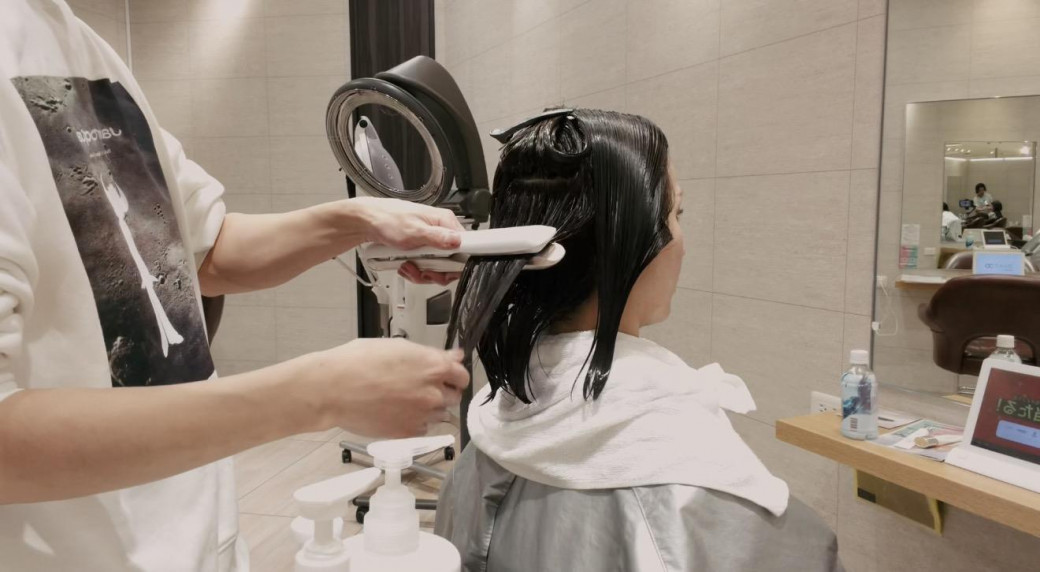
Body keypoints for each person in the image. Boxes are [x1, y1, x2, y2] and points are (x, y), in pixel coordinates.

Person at [0, 1, 467, 570]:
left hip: (198, 536)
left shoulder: (79, 45)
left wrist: (358, 222)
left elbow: (206, 249)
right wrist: (314, 394)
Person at [435, 109, 841, 571]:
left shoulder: (494, 424)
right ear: (623, 243)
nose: (682, 241)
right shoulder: (688, 478)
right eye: (676, 214)